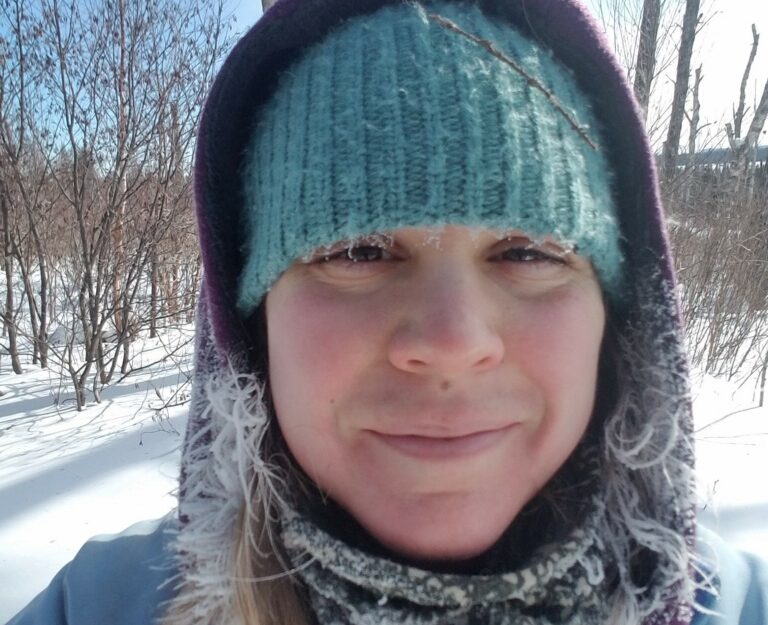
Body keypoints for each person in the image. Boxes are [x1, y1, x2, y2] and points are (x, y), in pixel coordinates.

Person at [8, 0, 768, 624]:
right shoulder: (97, 605)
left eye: (531, 251)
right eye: (359, 250)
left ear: (617, 316)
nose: (450, 340)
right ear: (251, 327)